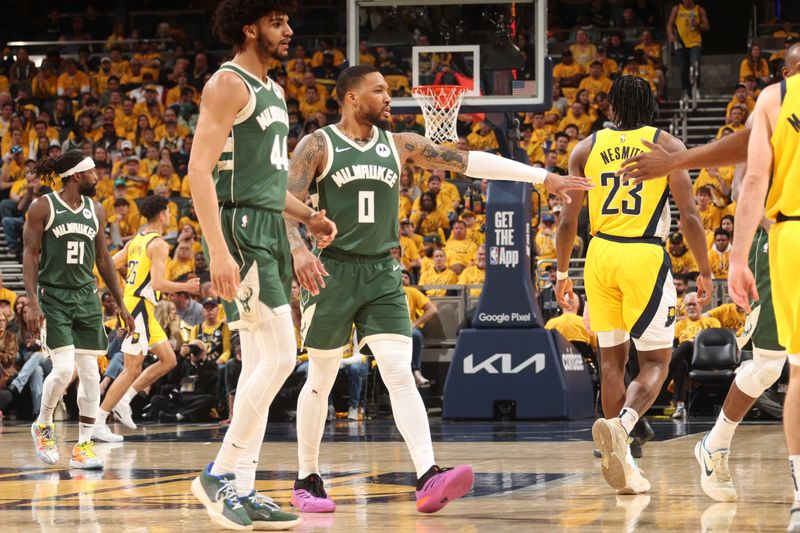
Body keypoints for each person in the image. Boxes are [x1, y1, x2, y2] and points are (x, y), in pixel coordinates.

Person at [284, 64, 591, 514]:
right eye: (379, 90)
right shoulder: (318, 144)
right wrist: (298, 252)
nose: (389, 97)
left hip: (384, 273)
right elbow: (286, 204)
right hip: (332, 271)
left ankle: (428, 476)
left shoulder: (401, 143)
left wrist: (542, 177)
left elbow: (468, 163)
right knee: (323, 375)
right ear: (351, 97)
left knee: (399, 371)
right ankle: (306, 478)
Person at [617, 45, 800, 509]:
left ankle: (715, 445)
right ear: (784, 73)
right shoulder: (775, 106)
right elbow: (747, 181)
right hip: (778, 240)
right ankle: (715, 444)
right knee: (770, 365)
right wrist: (742, 253)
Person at [186, 1, 335, 530]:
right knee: (278, 358)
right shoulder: (227, 84)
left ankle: (243, 489)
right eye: (277, 22)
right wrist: (217, 250)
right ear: (250, 28)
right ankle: (220, 472)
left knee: (259, 365)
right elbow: (198, 173)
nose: (289, 30)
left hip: (268, 224)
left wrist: (307, 216)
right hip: (240, 231)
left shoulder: (273, 91)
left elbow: (271, 185)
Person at [555, 75, 711, 494]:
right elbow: (691, 216)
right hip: (643, 255)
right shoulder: (667, 146)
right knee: (656, 363)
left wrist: (560, 271)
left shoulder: (585, 148)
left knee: (611, 362)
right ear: (651, 108)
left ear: (611, 109)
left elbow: (569, 219)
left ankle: (621, 464)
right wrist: (706, 270)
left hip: (598, 255)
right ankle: (623, 428)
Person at [25, 152, 135, 470]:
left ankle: (83, 447)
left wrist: (121, 303)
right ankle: (43, 423)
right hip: (54, 296)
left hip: (86, 297)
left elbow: (103, 260)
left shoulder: (95, 210)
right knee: (62, 371)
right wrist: (32, 301)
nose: (97, 177)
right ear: (76, 176)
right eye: (92, 172)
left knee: (90, 374)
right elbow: (30, 256)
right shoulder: (43, 207)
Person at [728, 54, 800, 530]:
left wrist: (737, 257)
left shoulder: (775, 97)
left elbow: (752, 180)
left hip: (791, 237)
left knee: (798, 372)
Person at [91, 195, 200, 443]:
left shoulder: (137, 240)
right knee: (132, 368)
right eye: (169, 213)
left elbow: (106, 263)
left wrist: (124, 279)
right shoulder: (159, 244)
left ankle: (126, 400)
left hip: (141, 306)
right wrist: (188, 287)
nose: (171, 216)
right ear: (161, 215)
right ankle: (99, 419)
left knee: (168, 359)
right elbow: (159, 283)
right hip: (138, 306)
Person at [667, 292, 721, 419]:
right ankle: (680, 405)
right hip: (686, 360)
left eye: (693, 304)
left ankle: (665, 364)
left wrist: (694, 341)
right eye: (688, 305)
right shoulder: (679, 325)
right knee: (679, 363)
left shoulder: (712, 322)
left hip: (706, 357)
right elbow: (674, 345)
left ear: (701, 305)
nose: (690, 307)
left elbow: (715, 343)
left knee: (686, 345)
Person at [666, 0, 709, 97]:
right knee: (683, 68)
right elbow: (669, 24)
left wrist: (698, 25)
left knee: (694, 64)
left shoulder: (699, 9)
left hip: (694, 42)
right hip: (680, 42)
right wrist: (670, 34)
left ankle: (696, 88)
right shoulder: (676, 9)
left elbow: (706, 26)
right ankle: (687, 90)